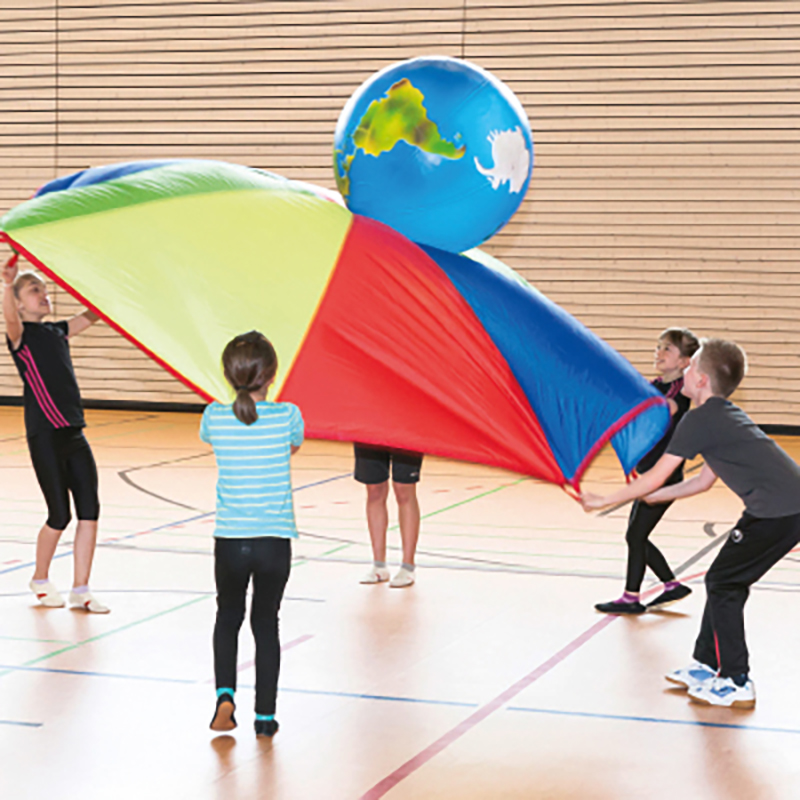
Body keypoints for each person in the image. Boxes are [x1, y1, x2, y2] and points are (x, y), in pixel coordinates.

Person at [581, 339, 800, 708]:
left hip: (779, 512)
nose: (684, 369)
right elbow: (702, 481)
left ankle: (736, 680)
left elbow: (655, 476)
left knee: (723, 583)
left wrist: (606, 499)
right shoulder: (718, 416)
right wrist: (657, 496)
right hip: (780, 508)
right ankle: (705, 664)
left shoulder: (699, 420)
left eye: (691, 365)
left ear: (701, 380)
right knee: (724, 580)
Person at [200, 331, 303, 737]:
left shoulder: (214, 417)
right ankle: (265, 716)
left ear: (228, 375)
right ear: (272, 375)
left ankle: (225, 695)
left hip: (230, 540)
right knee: (266, 623)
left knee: (227, 617)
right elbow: (291, 447)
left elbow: (215, 438)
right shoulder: (288, 415)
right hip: (273, 541)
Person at [2, 251, 107, 613]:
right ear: (19, 303)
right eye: (34, 290)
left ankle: (81, 589)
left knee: (90, 510)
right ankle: (40, 577)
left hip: (74, 432)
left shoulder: (57, 331)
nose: (43, 294)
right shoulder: (20, 337)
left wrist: (107, 291)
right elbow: (9, 319)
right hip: (45, 435)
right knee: (59, 515)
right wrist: (7, 284)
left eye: (44, 289)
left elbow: (91, 315)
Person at [595, 327, 700, 615]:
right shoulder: (654, 385)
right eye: (658, 347)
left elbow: (667, 408)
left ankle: (632, 597)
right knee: (635, 535)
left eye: (667, 349)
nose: (659, 352)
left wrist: (639, 397)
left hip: (664, 478)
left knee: (635, 536)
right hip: (650, 475)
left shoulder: (679, 390)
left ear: (684, 362)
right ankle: (671, 585)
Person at [354, 445, 421, 588]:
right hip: (371, 434)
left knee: (404, 489)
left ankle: (407, 566)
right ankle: (379, 565)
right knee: (374, 490)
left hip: (406, 435)